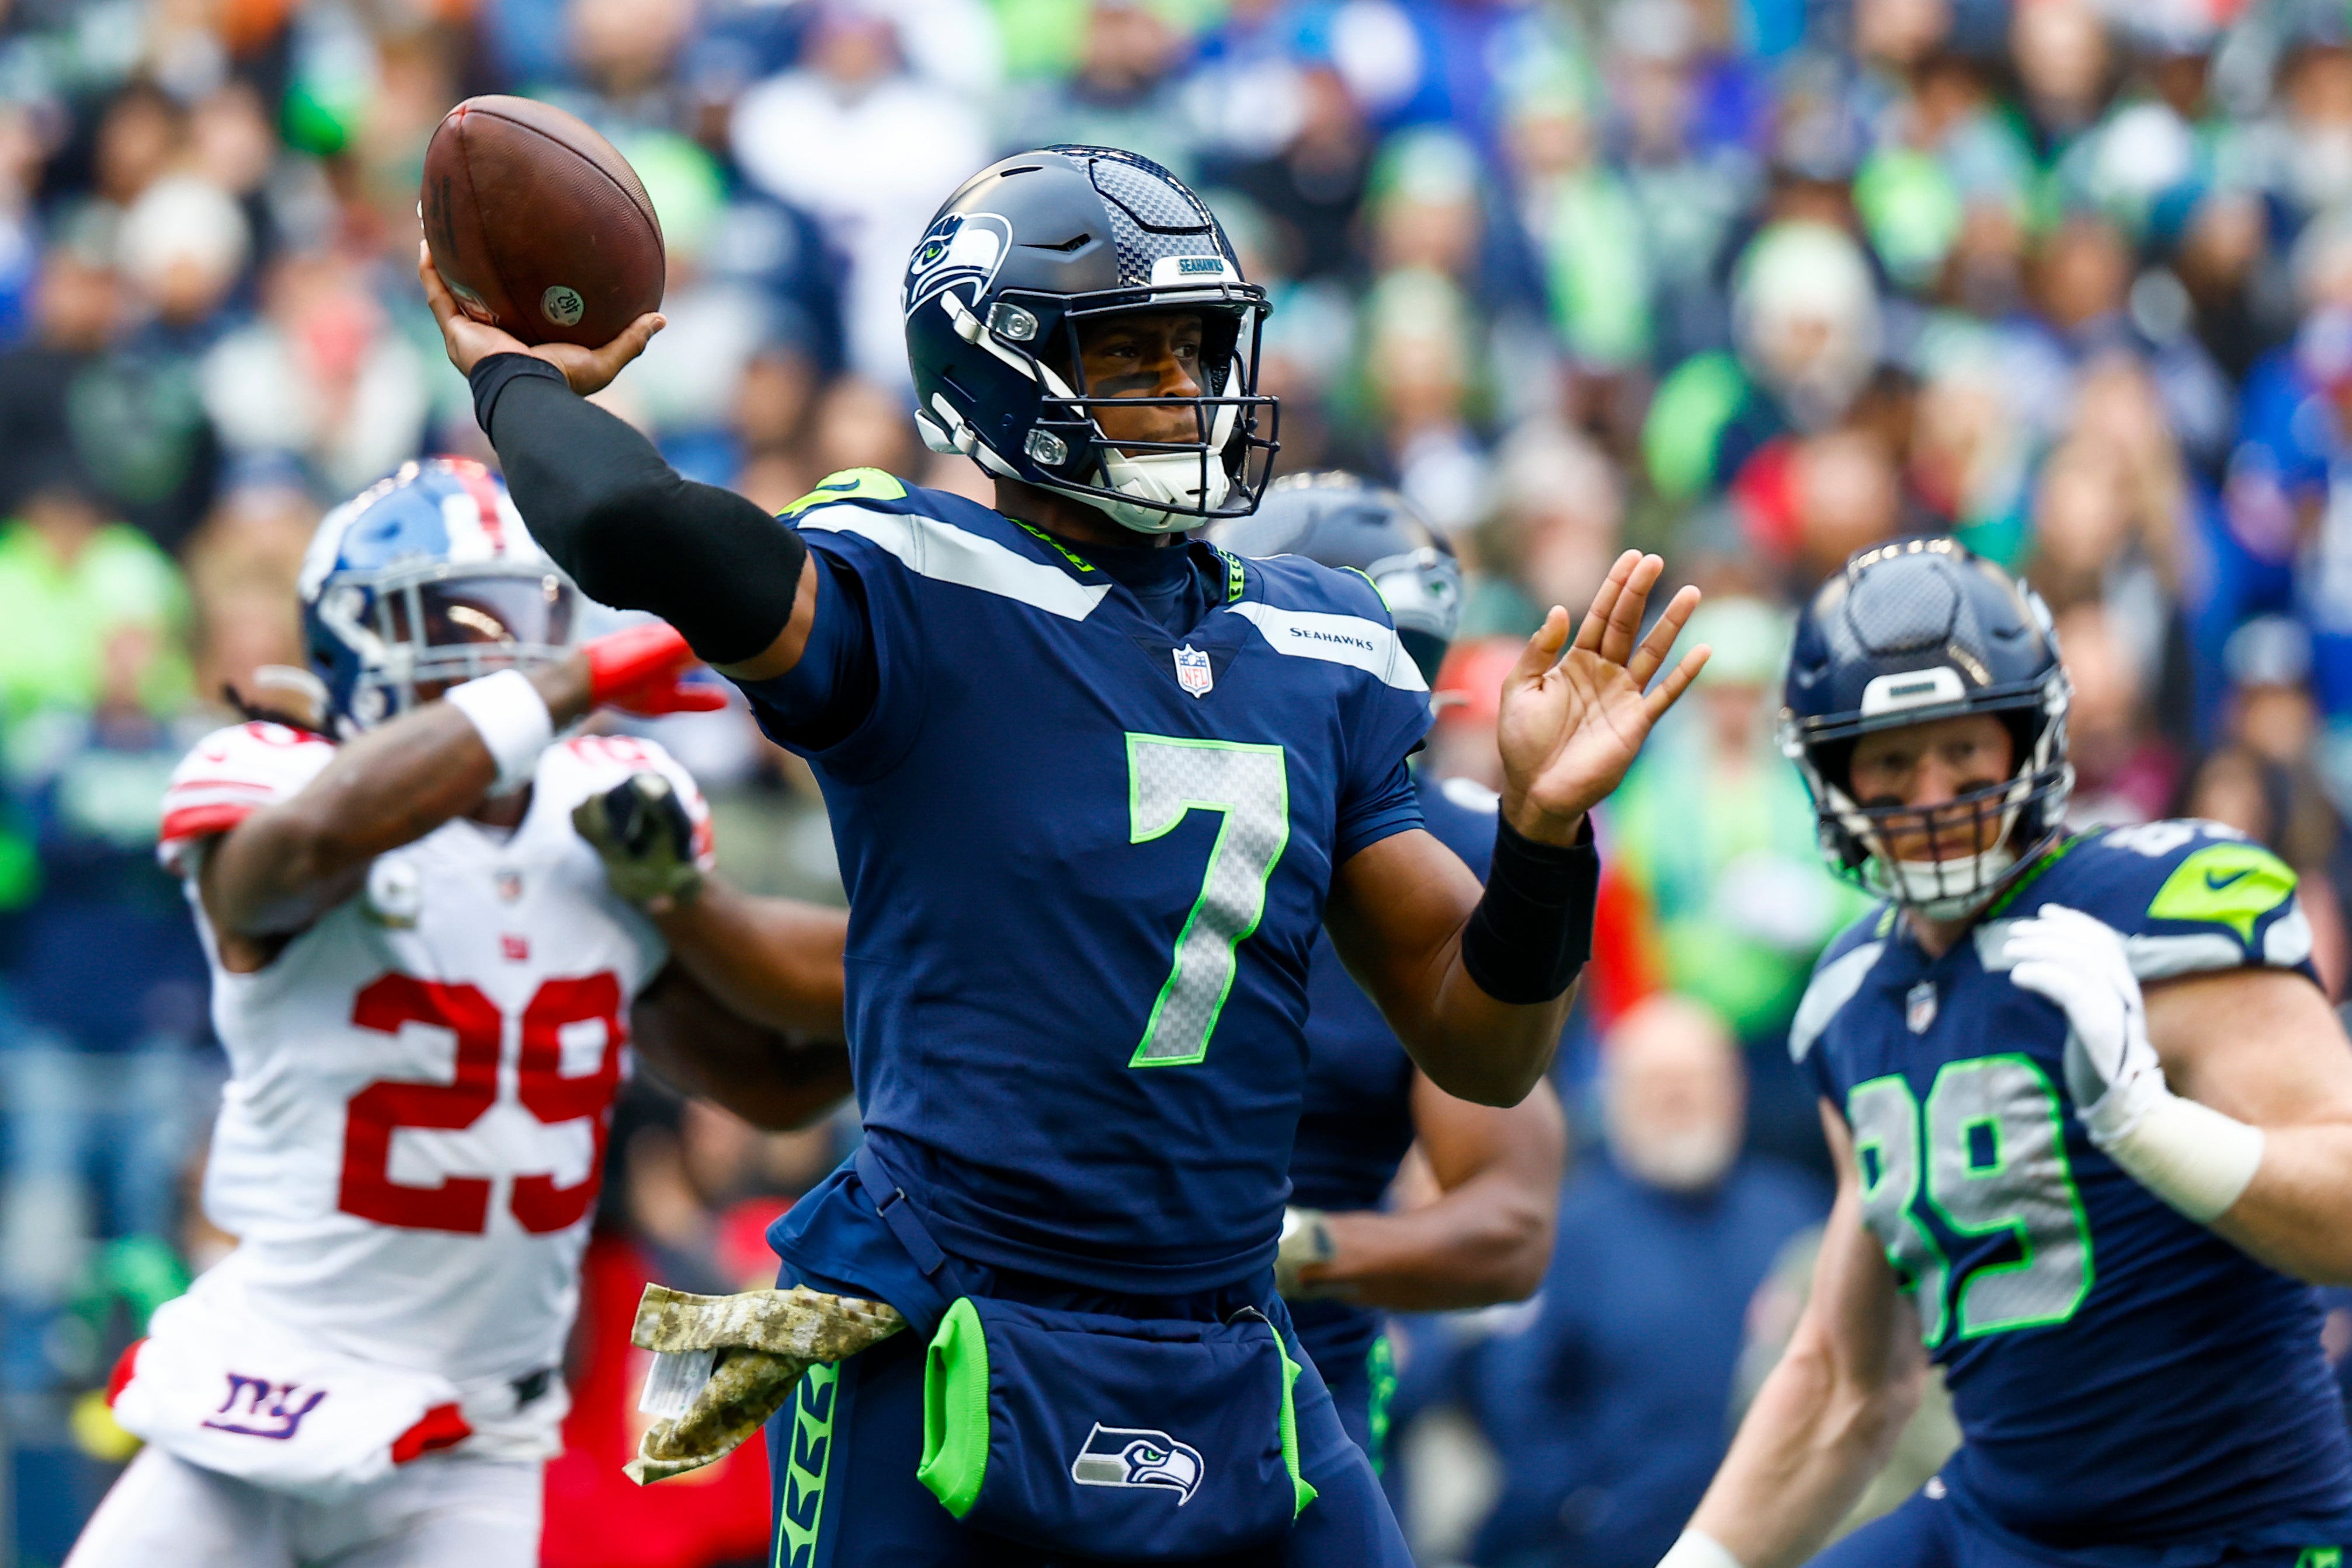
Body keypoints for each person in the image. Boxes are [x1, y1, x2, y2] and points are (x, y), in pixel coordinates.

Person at [420, 144, 1708, 1564]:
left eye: (1197, 344)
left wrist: (1536, 837)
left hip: (1222, 1338)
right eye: (1131, 350)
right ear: (995, 374)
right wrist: (515, 378)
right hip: (953, 1318)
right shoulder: (920, 586)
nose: (1185, 385)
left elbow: (1484, 1050)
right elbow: (626, 522)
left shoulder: (1320, 643)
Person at [64, 458, 852, 1568]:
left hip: (475, 1431)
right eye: (449, 619)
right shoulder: (272, 776)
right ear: (352, 639)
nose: (490, 651)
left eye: (516, 617)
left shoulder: (606, 803)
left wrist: (695, 906)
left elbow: (767, 1078)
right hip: (264, 1390)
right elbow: (295, 860)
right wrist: (570, 683)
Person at [1656, 537, 2352, 1568]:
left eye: (1962, 748)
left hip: (2222, 1532)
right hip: (2001, 1525)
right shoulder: (1852, 1000)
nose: (1931, 794)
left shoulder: (2162, 918)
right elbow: (1848, 1381)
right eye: (1890, 759)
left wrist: (2147, 1125)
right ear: (1830, 775)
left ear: (2028, 741)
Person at [1207, 471, 1569, 1472]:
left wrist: (1283, 1246)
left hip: (1295, 1384)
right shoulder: (1142, 783)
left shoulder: (1455, 853)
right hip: (1074, 1325)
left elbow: (1509, 1225)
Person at [1469, 995, 1823, 1568]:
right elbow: (1517, 1394)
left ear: (1736, 1091)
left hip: (1788, 1541)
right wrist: (1581, 1507)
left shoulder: (1796, 1214)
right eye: (1656, 1082)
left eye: (1697, 1079)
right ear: (1612, 1099)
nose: (1677, 1098)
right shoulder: (1565, 1232)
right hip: (1622, 1548)